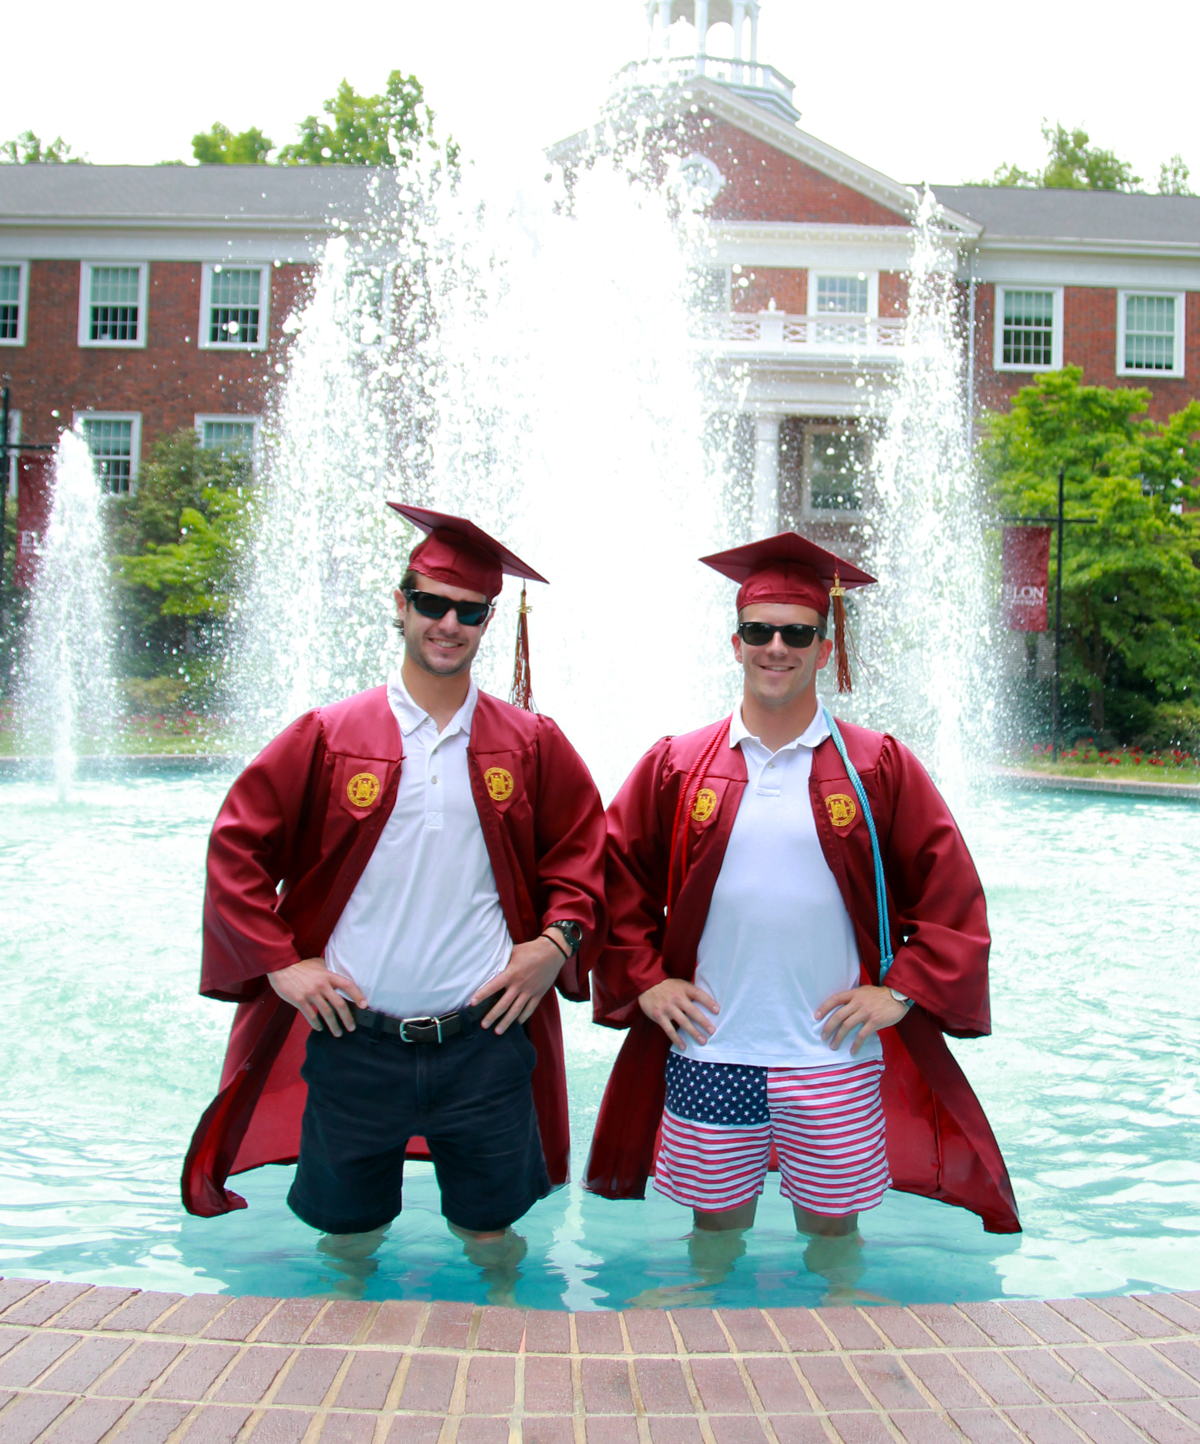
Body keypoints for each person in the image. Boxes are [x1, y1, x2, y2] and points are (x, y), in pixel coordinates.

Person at [183, 504, 607, 1289]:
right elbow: (236, 847)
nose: (448, 624)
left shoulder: (530, 744)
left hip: (484, 1040)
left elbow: (585, 856)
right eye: (431, 604)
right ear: (401, 604)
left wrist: (555, 946)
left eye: (468, 611)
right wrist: (281, 965)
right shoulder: (329, 735)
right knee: (348, 1237)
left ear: (489, 622)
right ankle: (343, 1389)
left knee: (491, 1236)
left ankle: (514, 1367)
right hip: (356, 1040)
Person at [585, 529, 1018, 1285]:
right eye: (760, 631)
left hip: (830, 1054)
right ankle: (711, 1374)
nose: (776, 647)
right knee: (712, 1240)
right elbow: (612, 871)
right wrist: (645, 977)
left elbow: (949, 888)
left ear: (826, 646)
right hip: (711, 1046)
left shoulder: (877, 764)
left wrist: (903, 990)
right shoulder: (680, 764)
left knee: (835, 1241)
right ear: (736, 643)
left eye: (797, 632)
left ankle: (836, 1374)